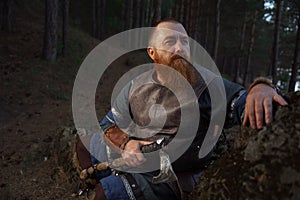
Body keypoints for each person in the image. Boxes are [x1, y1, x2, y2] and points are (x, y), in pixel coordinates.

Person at [77, 19, 288, 200]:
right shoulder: (135, 85)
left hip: (173, 176)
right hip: (138, 155)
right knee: (83, 144)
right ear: (152, 52)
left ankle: (113, 183)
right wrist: (127, 142)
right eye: (170, 42)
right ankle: (109, 175)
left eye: (184, 42)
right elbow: (108, 123)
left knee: (103, 195)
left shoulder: (209, 84)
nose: (179, 48)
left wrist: (261, 87)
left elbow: (243, 102)